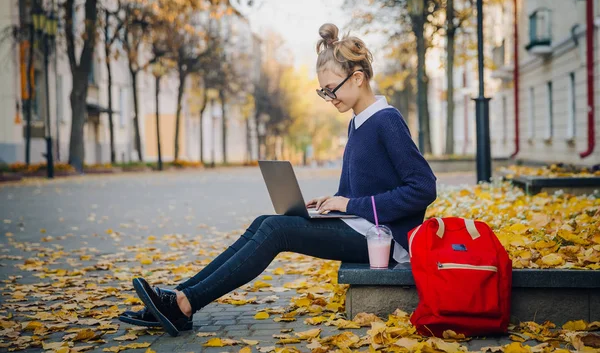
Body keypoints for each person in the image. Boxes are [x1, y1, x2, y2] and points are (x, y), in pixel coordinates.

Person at [121, 23, 437, 337]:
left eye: (331, 89)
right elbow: (369, 186)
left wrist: (350, 203)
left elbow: (423, 187)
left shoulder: (387, 121)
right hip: (360, 226)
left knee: (276, 230)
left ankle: (184, 305)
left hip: (383, 241)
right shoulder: (358, 123)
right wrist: (332, 201)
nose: (328, 97)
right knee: (265, 221)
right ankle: (179, 297)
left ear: (358, 78)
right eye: (322, 91)